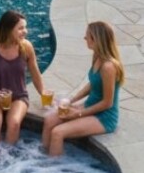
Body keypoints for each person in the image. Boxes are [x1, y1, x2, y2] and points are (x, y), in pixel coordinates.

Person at [41, 21, 124, 157]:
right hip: (90, 106)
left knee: (58, 133)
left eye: (87, 36)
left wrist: (78, 113)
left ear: (96, 40)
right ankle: (41, 157)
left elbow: (107, 103)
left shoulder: (109, 67)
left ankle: (51, 172)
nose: (84, 38)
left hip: (104, 117)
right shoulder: (97, 56)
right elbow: (93, 84)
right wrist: (71, 101)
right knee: (50, 120)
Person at [0, 10, 45, 145]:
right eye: (20, 28)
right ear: (8, 29)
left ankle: (10, 159)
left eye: (25, 27)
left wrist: (43, 94)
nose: (25, 31)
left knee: (14, 123)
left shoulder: (26, 46)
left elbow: (35, 74)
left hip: (19, 96)